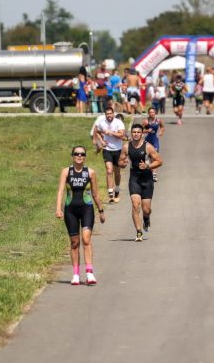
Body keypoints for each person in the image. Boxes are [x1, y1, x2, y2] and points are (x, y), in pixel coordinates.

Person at [55, 146, 106, 286]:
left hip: (87, 208)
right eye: (76, 154)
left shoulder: (90, 172)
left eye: (82, 154)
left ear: (85, 157)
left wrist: (101, 211)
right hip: (70, 210)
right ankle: (76, 274)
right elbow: (60, 191)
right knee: (75, 242)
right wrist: (58, 209)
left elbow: (95, 194)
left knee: (86, 239)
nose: (79, 156)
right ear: (72, 156)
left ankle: (89, 273)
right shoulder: (66, 172)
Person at [118, 124, 163, 242]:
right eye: (134, 132)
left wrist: (148, 165)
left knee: (146, 209)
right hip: (134, 179)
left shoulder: (148, 147)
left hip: (147, 179)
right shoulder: (126, 147)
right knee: (135, 204)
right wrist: (123, 163)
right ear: (131, 133)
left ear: (142, 133)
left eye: (138, 132)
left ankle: (146, 219)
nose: (136, 134)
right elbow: (120, 163)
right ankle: (138, 232)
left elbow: (159, 161)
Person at [93, 107, 126, 203]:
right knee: (109, 170)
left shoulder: (118, 123)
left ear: (113, 114)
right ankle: (110, 193)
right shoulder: (102, 123)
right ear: (105, 114)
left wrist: (110, 132)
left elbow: (122, 135)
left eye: (110, 113)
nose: (109, 115)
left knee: (117, 172)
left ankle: (117, 188)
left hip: (118, 149)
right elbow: (97, 132)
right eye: (107, 114)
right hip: (107, 150)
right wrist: (102, 141)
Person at [142, 107, 165, 181]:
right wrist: (147, 131)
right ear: (148, 113)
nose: (152, 114)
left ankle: (154, 174)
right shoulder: (146, 121)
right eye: (150, 112)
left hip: (155, 140)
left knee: (154, 157)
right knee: (148, 158)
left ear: (155, 113)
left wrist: (160, 133)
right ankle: (150, 172)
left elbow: (162, 127)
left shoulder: (158, 121)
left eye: (153, 112)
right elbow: (139, 130)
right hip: (148, 140)